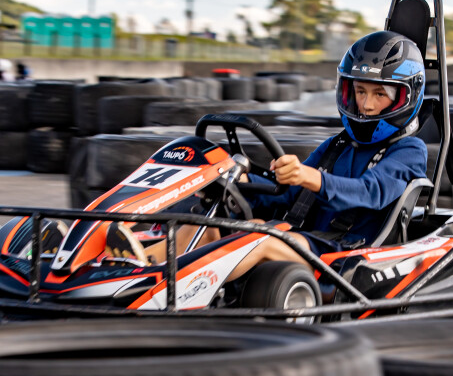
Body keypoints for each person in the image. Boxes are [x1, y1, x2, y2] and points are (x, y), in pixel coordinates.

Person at [104, 30, 429, 283]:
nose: (366, 105)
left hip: (347, 254)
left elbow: (370, 192)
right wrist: (238, 186)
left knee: (257, 238)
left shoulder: (409, 151)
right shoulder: (337, 145)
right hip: (305, 239)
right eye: (360, 91)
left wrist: (310, 177)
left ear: (405, 97)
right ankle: (131, 265)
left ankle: (165, 284)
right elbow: (286, 194)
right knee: (217, 226)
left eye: (379, 94)